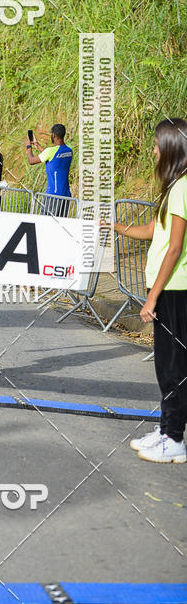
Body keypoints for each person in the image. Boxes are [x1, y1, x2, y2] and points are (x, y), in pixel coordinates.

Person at [115, 118, 187, 464]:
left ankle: (174, 438)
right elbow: (154, 232)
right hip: (168, 288)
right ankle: (166, 429)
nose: (153, 150)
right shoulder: (174, 188)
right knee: (165, 365)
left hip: (174, 289)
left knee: (173, 367)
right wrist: (117, 226)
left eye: (157, 144)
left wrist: (153, 297)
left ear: (172, 148)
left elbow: (174, 248)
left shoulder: (183, 188)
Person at [26, 123, 73, 216]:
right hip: (66, 196)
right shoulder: (69, 151)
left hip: (53, 196)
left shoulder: (50, 151)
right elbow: (52, 158)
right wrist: (36, 144)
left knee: (45, 224)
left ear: (54, 135)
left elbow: (31, 161)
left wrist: (28, 147)